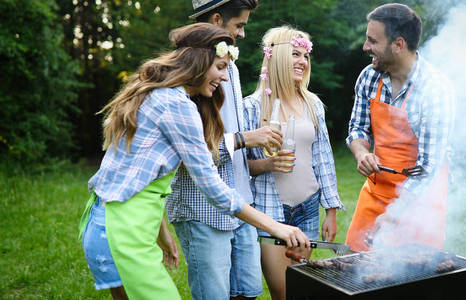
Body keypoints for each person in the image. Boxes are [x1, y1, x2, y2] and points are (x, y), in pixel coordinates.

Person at [78, 23, 310, 300]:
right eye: (221, 67)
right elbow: (212, 187)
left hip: (103, 222)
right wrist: (276, 226)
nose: (225, 77)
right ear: (200, 63)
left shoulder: (155, 93)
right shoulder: (177, 105)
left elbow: (136, 177)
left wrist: (161, 231)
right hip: (122, 233)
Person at [166, 1, 281, 300]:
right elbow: (195, 155)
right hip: (203, 209)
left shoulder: (232, 70)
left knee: (247, 291)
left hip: (241, 204)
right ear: (217, 19)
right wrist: (246, 138)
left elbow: (236, 142)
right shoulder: (187, 81)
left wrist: (262, 158)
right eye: (239, 25)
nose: (243, 34)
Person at [243, 25, 345, 300]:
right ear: (275, 59)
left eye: (306, 56)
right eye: (295, 54)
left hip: (308, 209)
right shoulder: (252, 107)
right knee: (283, 291)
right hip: (270, 212)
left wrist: (331, 209)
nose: (302, 61)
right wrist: (267, 165)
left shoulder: (312, 104)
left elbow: (323, 158)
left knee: (301, 289)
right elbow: (238, 169)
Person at [345, 3, 455, 252]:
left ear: (398, 44)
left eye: (372, 41)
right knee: (356, 272)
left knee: (412, 277)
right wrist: (362, 153)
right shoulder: (368, 77)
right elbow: (357, 128)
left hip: (421, 202)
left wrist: (395, 213)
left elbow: (428, 167)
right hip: (375, 193)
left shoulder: (434, 90)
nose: (365, 47)